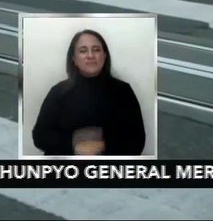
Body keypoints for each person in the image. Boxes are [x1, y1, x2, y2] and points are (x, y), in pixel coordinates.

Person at [31, 29, 146, 157]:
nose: (90, 55)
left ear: (105, 55)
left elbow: (137, 142)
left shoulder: (123, 91)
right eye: (83, 50)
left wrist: (101, 145)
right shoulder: (58, 92)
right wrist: (75, 144)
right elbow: (40, 136)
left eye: (96, 49)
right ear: (74, 59)